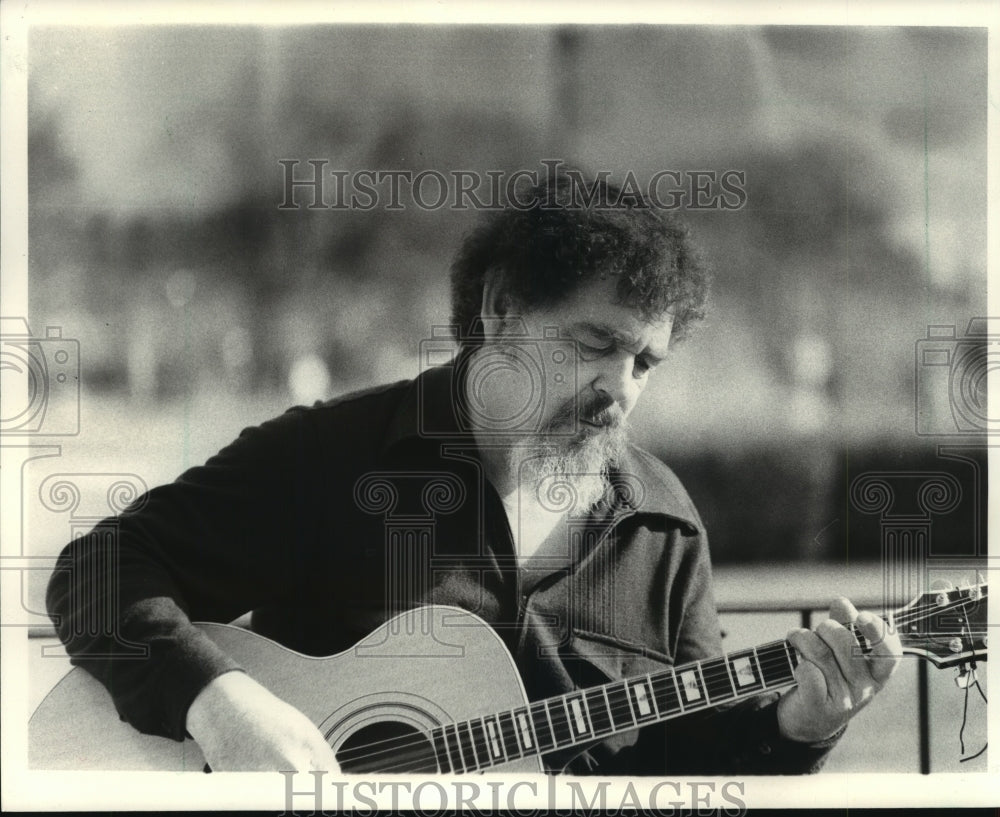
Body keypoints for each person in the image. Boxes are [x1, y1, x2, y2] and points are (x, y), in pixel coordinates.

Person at [46, 171, 901, 775]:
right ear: (499, 310)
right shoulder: (335, 457)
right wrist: (219, 701)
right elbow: (100, 571)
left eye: (646, 361)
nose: (620, 387)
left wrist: (801, 724)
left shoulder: (664, 526)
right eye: (595, 342)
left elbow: (688, 759)